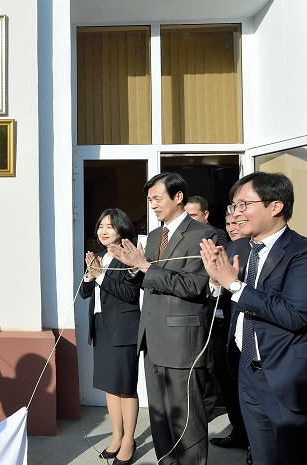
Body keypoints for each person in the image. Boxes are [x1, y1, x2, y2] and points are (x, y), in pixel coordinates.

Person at [200, 172, 307, 465]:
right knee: (261, 457)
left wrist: (234, 285)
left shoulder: (300, 252)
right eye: (234, 206)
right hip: (247, 373)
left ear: (275, 207)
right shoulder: (239, 248)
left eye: (244, 205)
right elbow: (226, 296)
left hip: (284, 377)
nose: (237, 214)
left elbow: (295, 315)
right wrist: (216, 283)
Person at [109, 172, 216, 465]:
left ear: (178, 197)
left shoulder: (204, 234)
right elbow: (148, 279)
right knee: (159, 417)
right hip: (151, 336)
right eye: (150, 200)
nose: (153, 205)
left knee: (186, 420)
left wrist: (144, 266)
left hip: (182, 340)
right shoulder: (155, 235)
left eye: (157, 198)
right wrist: (133, 269)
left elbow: (193, 286)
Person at [79, 208, 141, 465]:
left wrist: (100, 276)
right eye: (101, 226)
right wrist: (89, 274)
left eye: (109, 227)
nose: (103, 231)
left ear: (122, 230)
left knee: (125, 387)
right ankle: (117, 436)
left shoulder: (130, 258)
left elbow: (129, 294)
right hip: (102, 327)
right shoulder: (101, 257)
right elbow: (84, 292)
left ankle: (129, 440)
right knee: (110, 386)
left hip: (123, 329)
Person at [207, 212, 251, 464]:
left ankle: (253, 441)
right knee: (226, 383)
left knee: (245, 386)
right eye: (229, 223)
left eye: (237, 222)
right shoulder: (224, 248)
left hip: (244, 327)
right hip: (219, 326)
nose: (232, 227)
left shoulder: (254, 248)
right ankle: (238, 431)